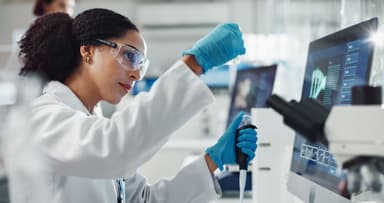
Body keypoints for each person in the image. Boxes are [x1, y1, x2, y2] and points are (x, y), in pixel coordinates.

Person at [19, 8, 258, 203]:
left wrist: (213, 160)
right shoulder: (43, 118)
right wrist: (194, 64)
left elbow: (144, 200)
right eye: (130, 56)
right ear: (88, 51)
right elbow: (113, 149)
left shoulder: (91, 122)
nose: (136, 74)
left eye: (141, 65)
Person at [4, 0, 75, 72]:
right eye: (62, 5)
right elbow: (12, 74)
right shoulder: (27, 40)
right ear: (46, 6)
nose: (67, 12)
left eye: (71, 7)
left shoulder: (72, 38)